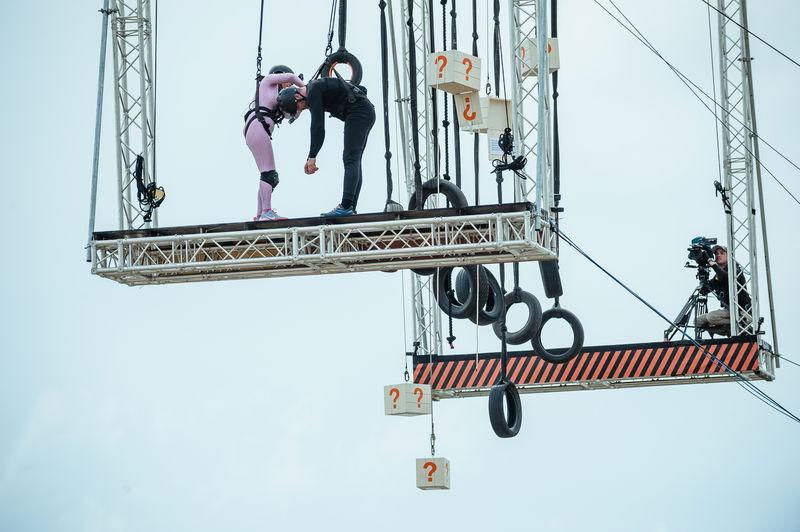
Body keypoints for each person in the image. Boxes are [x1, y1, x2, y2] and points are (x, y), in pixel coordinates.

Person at [276, 76, 376, 217]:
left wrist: (312, 157)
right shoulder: (315, 88)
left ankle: (346, 206)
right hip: (363, 112)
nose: (303, 109)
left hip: (359, 112)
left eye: (299, 107)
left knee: (350, 159)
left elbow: (318, 127)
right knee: (354, 160)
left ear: (297, 96)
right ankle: (350, 207)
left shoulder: (313, 90)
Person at [243, 65, 305, 221]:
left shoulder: (277, 98)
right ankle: (266, 212)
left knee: (268, 175)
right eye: (287, 85)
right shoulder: (267, 82)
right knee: (269, 174)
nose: (290, 86)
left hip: (257, 129)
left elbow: (293, 114)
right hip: (258, 127)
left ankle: (260, 214)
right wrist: (304, 87)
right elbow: (291, 77)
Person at [695, 244, 752, 336]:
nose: (718, 255)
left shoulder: (735, 270)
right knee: (698, 321)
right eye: (716, 254)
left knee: (711, 317)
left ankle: (741, 324)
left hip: (741, 311)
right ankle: (729, 330)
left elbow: (725, 278)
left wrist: (712, 264)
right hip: (729, 311)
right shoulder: (717, 276)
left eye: (722, 253)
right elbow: (705, 290)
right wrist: (703, 275)